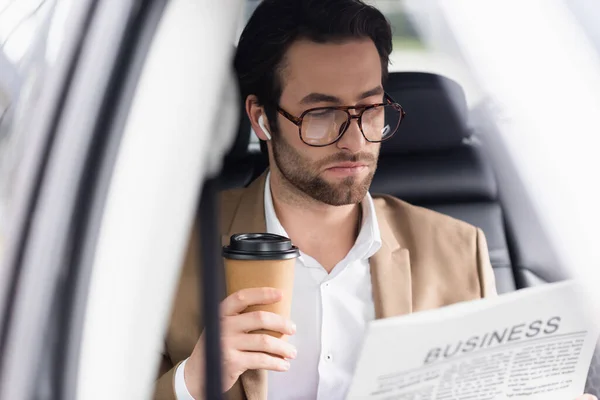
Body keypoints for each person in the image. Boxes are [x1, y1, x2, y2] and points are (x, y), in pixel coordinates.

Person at [153, 1, 597, 399]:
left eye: (369, 108)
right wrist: (191, 381)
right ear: (262, 118)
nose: (354, 140)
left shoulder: (460, 249)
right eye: (321, 114)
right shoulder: (171, 253)